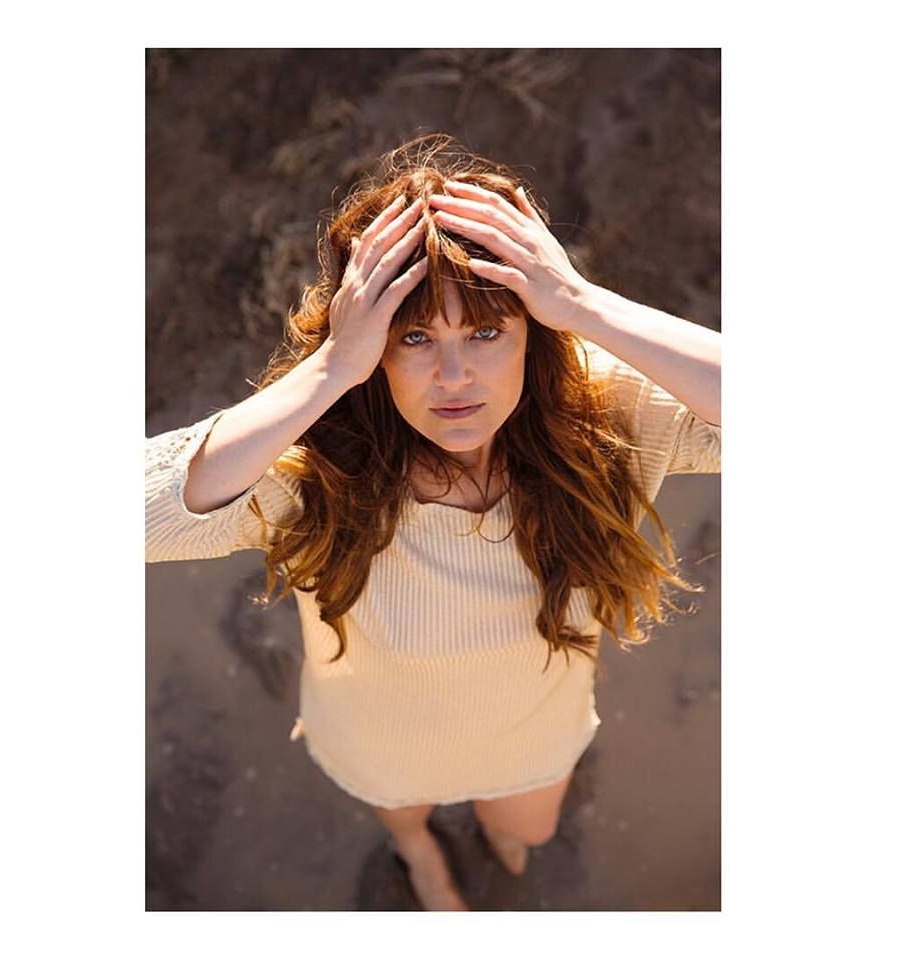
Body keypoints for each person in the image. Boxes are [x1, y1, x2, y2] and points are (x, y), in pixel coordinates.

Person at [145, 134, 721, 911]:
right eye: (414, 337)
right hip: (381, 735)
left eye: (486, 331)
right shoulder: (319, 469)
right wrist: (330, 371)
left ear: (534, 329)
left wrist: (586, 305)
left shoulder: (602, 418)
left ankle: (490, 836)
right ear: (371, 346)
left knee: (527, 830)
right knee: (403, 811)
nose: (455, 378)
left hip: (533, 729)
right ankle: (417, 849)